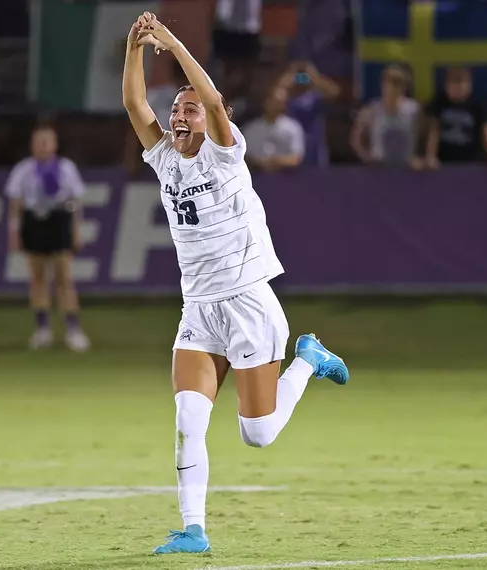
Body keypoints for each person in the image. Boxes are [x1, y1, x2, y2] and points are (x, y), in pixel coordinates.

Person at [122, 11, 349, 555]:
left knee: (258, 433)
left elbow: (217, 101)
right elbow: (134, 105)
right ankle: (193, 530)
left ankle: (308, 359)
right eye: (176, 108)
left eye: (188, 109)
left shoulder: (226, 154)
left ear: (206, 120)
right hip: (198, 308)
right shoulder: (163, 161)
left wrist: (172, 43)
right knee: (187, 419)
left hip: (248, 302)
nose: (179, 114)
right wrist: (134, 48)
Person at [4, 124, 91, 352]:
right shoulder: (24, 169)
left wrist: (77, 231)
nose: (43, 146)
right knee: (38, 277)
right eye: (39, 141)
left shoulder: (66, 168)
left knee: (64, 277)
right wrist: (14, 232)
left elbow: (76, 201)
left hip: (59, 219)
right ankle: (43, 329)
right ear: (32, 145)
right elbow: (15, 203)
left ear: (54, 144)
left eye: (47, 141)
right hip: (34, 222)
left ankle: (73, 330)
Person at [425, 67, 487, 167]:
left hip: (471, 160)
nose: (457, 91)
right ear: (446, 86)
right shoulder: (439, 103)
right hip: (443, 160)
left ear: (469, 87)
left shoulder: (477, 106)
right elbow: (434, 132)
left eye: (461, 87)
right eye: (453, 86)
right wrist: (430, 156)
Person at [349, 65, 422, 168]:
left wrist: (427, 157)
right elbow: (356, 138)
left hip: (406, 169)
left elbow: (429, 130)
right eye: (388, 84)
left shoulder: (414, 109)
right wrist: (366, 157)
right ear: (383, 85)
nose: (391, 88)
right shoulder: (372, 109)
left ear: (403, 87)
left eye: (396, 84)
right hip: (379, 168)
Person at [276, 61, 340, 167]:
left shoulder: (315, 98)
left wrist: (314, 76)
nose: (301, 80)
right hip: (291, 143)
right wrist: (291, 74)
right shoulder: (286, 98)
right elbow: (277, 90)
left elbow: (334, 92)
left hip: (314, 143)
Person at [242, 87, 306, 171]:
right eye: (273, 101)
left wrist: (275, 162)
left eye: (280, 102)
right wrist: (260, 163)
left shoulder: (293, 128)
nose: (276, 106)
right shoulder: (252, 128)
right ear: (265, 102)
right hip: (257, 175)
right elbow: (245, 156)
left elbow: (297, 158)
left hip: (286, 177)